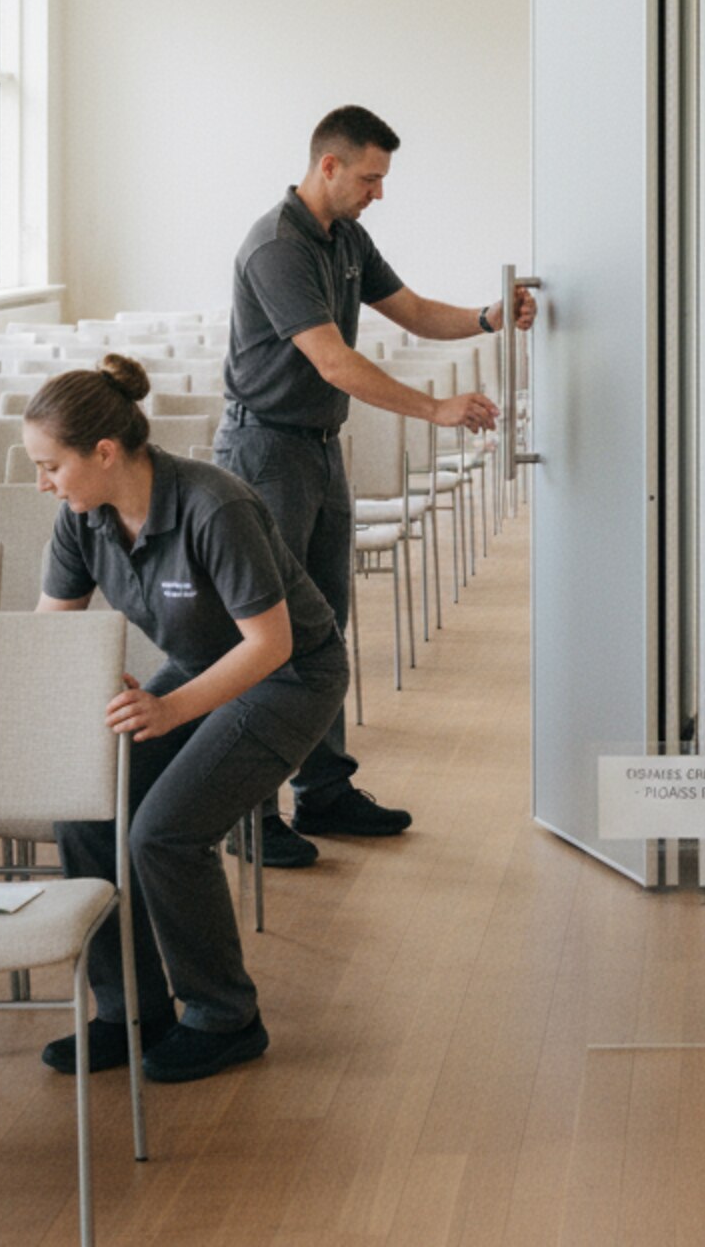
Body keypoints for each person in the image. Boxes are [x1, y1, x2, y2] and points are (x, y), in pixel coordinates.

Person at [216, 104, 532, 867]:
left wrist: (490, 318)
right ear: (329, 166)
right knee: (266, 638)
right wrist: (434, 408)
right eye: (370, 178)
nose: (377, 193)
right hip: (265, 454)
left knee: (321, 632)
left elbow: (414, 310)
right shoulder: (277, 247)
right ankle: (245, 811)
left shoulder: (346, 237)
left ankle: (322, 788)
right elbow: (333, 362)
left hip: (318, 452)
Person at [30, 357, 350, 1083]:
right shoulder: (83, 518)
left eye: (50, 466)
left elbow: (271, 644)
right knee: (86, 812)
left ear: (104, 453)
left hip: (291, 677)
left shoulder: (213, 506)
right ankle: (129, 1011)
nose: (43, 482)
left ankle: (224, 1017)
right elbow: (51, 629)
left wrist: (169, 707)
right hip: (204, 666)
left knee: (165, 832)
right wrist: (83, 675)